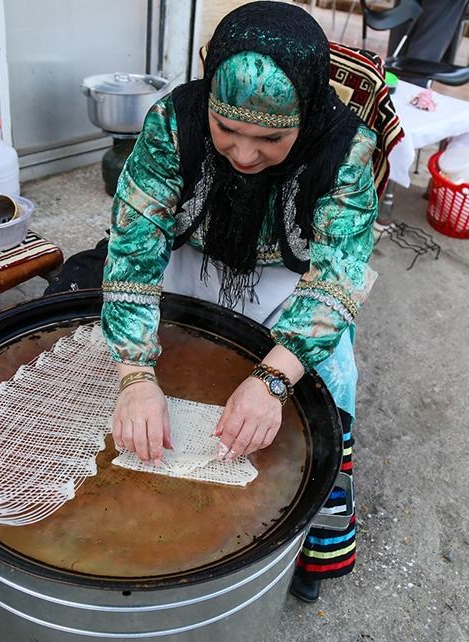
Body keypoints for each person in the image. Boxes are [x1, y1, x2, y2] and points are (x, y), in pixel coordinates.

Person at [100, 1, 378, 603]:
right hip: (189, 259)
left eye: (272, 138)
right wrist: (135, 375)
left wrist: (274, 380)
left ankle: (312, 540)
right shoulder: (174, 122)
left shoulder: (346, 150)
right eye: (227, 131)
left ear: (305, 114)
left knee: (331, 377)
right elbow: (134, 243)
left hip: (287, 278)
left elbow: (335, 280)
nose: (245, 156)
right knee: (158, 374)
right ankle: (169, 523)